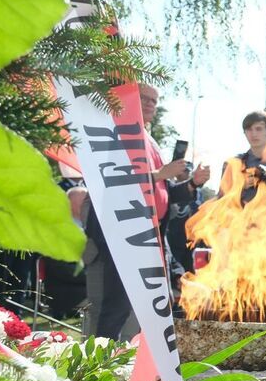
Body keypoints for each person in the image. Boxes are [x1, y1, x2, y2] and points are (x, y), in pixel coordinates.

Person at [82, 83, 207, 340]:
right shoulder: (117, 133)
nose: (151, 104)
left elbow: (164, 191)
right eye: (145, 99)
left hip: (149, 235)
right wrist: (161, 174)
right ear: (128, 100)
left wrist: (193, 183)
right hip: (123, 232)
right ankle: (96, 364)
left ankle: (128, 362)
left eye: (155, 101)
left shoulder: (149, 139)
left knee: (140, 309)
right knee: (115, 305)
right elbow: (115, 180)